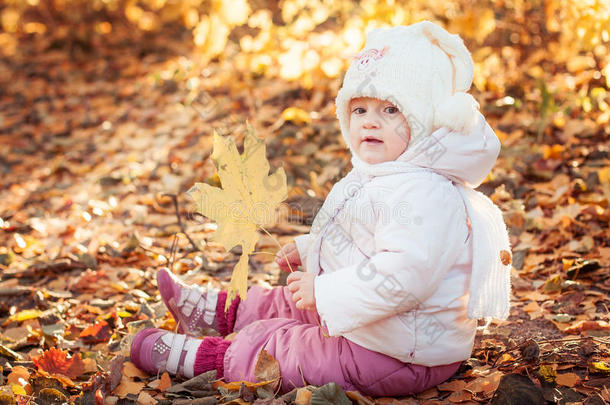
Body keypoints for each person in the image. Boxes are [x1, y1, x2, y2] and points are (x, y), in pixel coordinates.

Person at [129, 20, 511, 396]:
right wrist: (313, 248)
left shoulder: (426, 192)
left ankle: (208, 358)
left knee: (296, 349)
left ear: (425, 122)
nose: (370, 122)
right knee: (288, 300)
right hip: (370, 322)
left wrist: (326, 292)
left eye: (390, 110)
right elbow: (361, 237)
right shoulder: (385, 173)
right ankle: (216, 312)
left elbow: (404, 277)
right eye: (359, 109)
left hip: (402, 353)